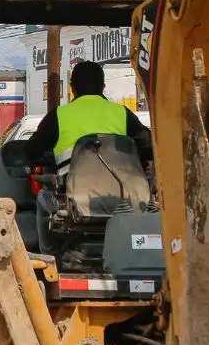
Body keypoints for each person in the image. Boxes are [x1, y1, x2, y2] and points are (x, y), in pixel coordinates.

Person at [23, 61, 152, 253]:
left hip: (75, 201)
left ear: (72, 88)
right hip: (124, 198)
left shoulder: (60, 115)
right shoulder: (122, 114)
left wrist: (45, 162)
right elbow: (148, 146)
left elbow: (31, 150)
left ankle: (51, 260)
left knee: (43, 197)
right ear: (103, 87)